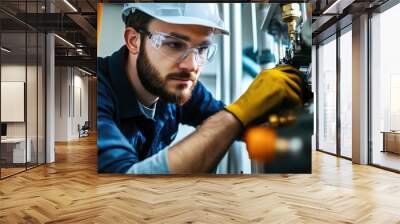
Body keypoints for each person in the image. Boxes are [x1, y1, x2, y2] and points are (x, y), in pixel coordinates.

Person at [97, 3, 304, 174]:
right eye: (174, 45)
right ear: (134, 41)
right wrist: (236, 115)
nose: (192, 66)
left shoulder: (176, 87)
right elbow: (121, 188)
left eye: (203, 49)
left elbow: (233, 122)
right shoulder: (97, 90)